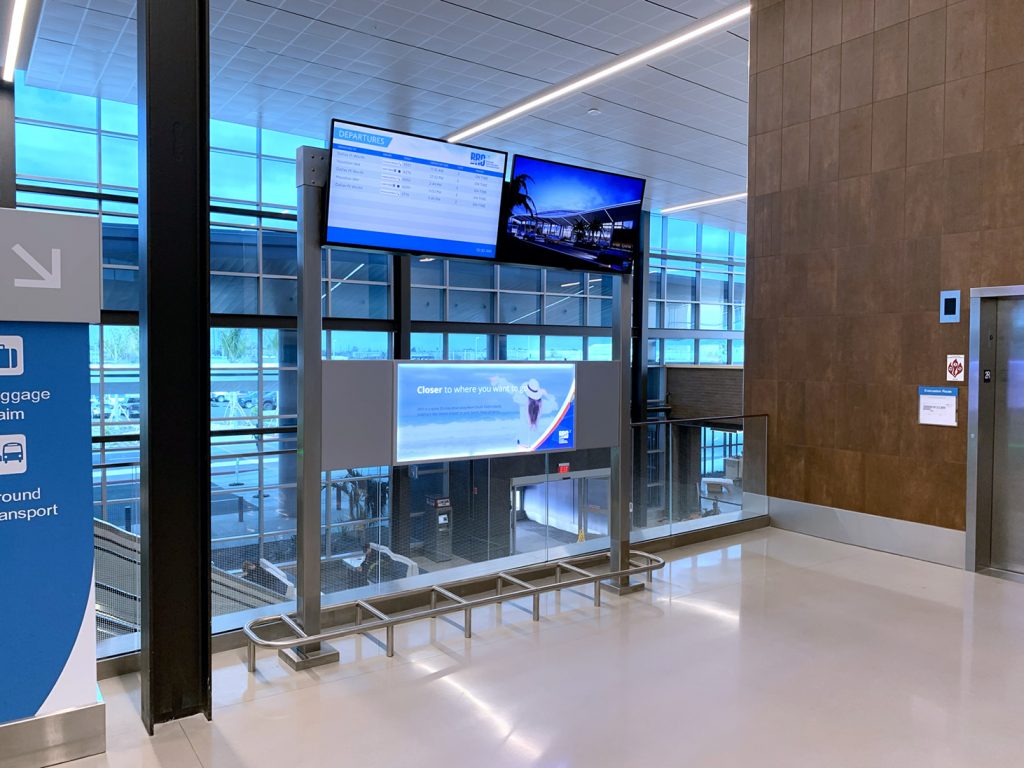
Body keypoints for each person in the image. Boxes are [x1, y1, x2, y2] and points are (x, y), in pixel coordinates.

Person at [490, 375, 558, 447]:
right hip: (536, 440)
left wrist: (499, 380)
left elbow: (511, 389)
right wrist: (546, 394)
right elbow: (555, 405)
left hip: (522, 440)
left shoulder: (523, 400)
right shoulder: (543, 404)